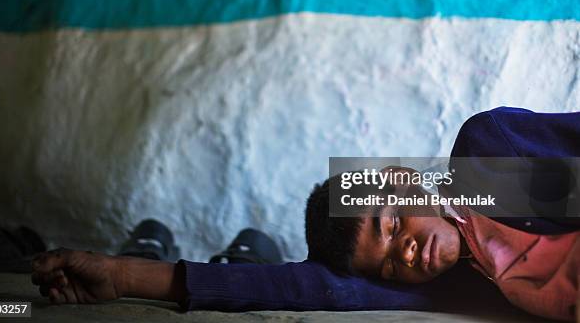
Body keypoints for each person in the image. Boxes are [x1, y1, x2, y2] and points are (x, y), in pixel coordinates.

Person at [31, 107, 580, 321]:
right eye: (389, 267)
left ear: (404, 180)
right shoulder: (454, 282)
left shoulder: (491, 149)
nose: (407, 256)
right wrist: (122, 274)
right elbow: (302, 287)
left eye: (392, 224)